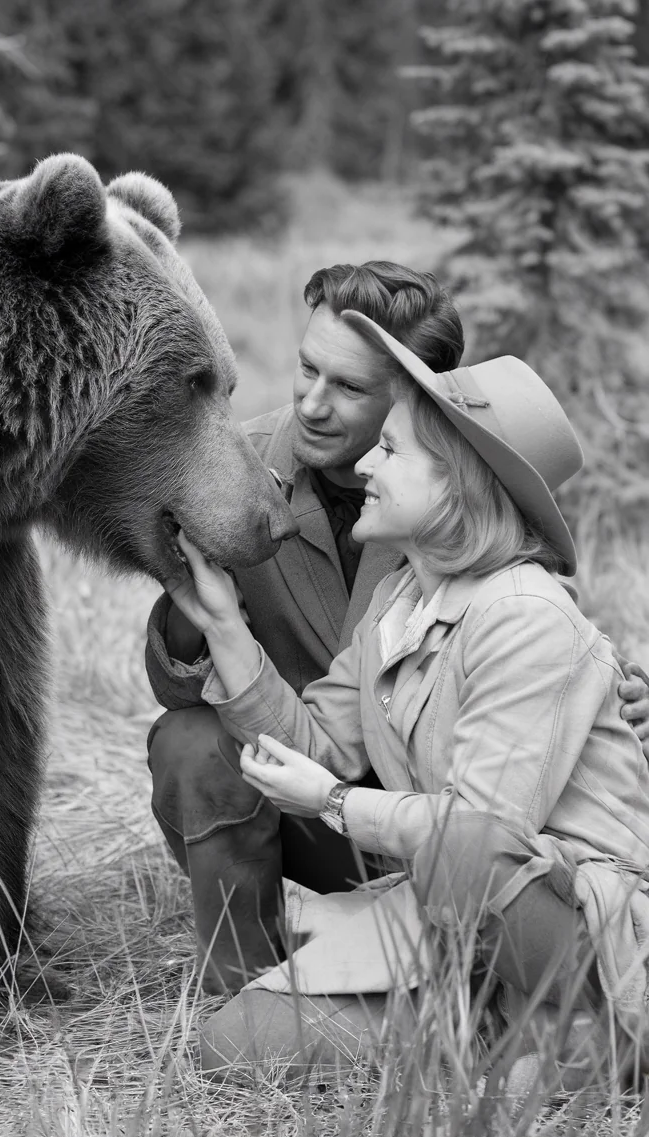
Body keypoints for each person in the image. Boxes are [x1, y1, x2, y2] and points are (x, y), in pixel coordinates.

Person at [163, 314, 649, 1082]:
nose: (368, 471)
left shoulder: (524, 615)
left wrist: (333, 803)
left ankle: (593, 1031)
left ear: (456, 486)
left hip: (569, 927)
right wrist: (224, 625)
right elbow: (314, 742)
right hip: (446, 923)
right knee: (235, 1043)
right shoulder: (400, 601)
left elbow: (481, 833)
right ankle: (502, 1033)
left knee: (464, 843)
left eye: (390, 451)